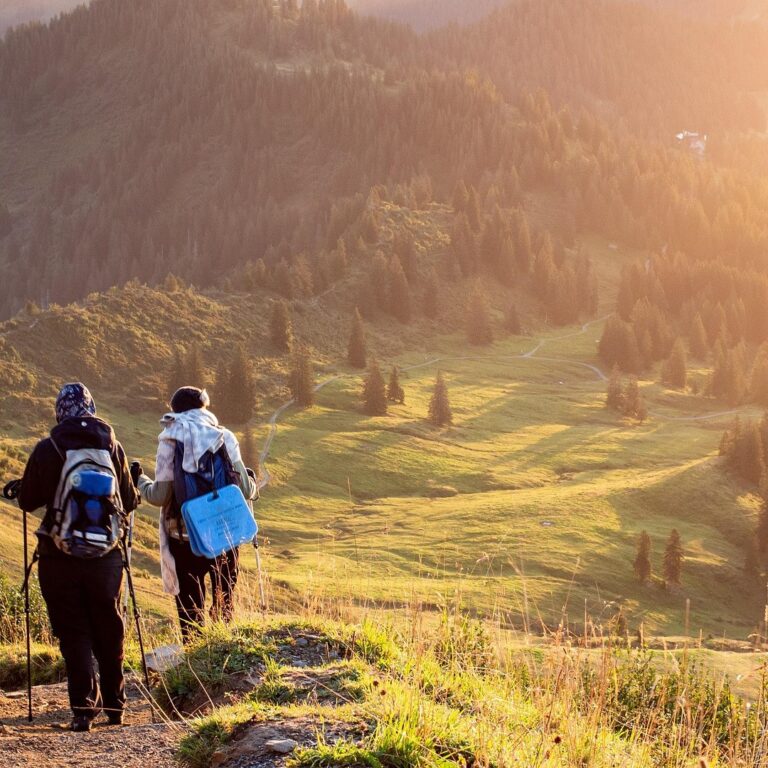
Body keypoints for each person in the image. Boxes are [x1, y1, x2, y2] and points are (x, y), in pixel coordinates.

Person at [17, 383, 139, 732]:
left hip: (59, 556)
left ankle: (83, 710)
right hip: (107, 557)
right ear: (91, 408)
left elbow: (27, 501)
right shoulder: (112, 446)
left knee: (73, 630)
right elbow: (128, 502)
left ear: (60, 411)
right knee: (109, 627)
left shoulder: (48, 447)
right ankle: (116, 706)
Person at [135, 386, 257, 641]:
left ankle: (194, 664)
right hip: (225, 536)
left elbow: (159, 496)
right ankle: (223, 664)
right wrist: (253, 483)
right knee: (224, 606)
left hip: (184, 537)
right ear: (204, 407)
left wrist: (140, 480)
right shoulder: (224, 436)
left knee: (191, 612)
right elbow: (244, 489)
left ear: (175, 411)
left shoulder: (169, 439)